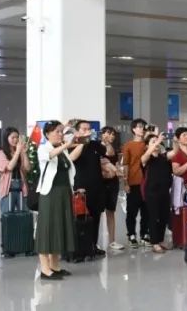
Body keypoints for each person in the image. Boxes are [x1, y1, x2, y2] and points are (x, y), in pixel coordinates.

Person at [34, 121, 83, 280]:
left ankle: (55, 266)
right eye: (57, 131)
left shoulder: (62, 150)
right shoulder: (43, 148)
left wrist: (80, 143)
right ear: (47, 134)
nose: (60, 134)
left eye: (61, 131)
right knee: (47, 229)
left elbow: (70, 160)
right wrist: (66, 145)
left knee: (59, 228)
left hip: (64, 193)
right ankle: (45, 268)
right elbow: (49, 156)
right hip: (50, 194)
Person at [69, 120, 106, 256]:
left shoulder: (95, 144)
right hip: (82, 187)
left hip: (97, 186)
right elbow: (72, 158)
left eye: (89, 129)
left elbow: (106, 152)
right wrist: (83, 142)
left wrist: (105, 140)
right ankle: (81, 248)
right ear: (77, 131)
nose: (88, 131)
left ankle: (93, 245)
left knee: (96, 217)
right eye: (84, 129)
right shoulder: (73, 145)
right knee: (82, 218)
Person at [140, 133, 173, 253]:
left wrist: (176, 141)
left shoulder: (163, 157)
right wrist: (158, 141)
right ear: (147, 146)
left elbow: (174, 152)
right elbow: (144, 159)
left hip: (164, 191)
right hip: (151, 192)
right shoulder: (146, 158)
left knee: (164, 216)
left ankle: (160, 239)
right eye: (153, 142)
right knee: (154, 217)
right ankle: (154, 242)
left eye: (157, 142)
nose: (157, 144)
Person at [121, 118, 150, 247]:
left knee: (146, 210)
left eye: (143, 126)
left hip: (148, 181)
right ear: (133, 129)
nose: (142, 129)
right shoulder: (128, 145)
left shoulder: (148, 144)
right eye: (139, 126)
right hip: (134, 181)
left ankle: (145, 234)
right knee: (132, 211)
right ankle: (131, 234)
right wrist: (125, 182)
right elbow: (125, 165)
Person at [98, 127, 124, 250]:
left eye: (113, 134)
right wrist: (112, 170)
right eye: (108, 133)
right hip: (101, 183)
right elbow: (103, 162)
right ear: (102, 134)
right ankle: (94, 242)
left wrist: (117, 171)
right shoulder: (98, 147)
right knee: (97, 213)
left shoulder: (113, 148)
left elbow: (115, 161)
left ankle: (112, 241)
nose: (111, 136)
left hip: (113, 183)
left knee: (111, 212)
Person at [0, 127, 30, 215]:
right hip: (7, 189)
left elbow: (27, 168)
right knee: (8, 214)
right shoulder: (1, 153)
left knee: (23, 214)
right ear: (6, 138)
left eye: (17, 137)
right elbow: (9, 167)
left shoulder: (20, 152)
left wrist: (24, 153)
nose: (15, 140)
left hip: (21, 187)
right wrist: (18, 151)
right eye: (13, 137)